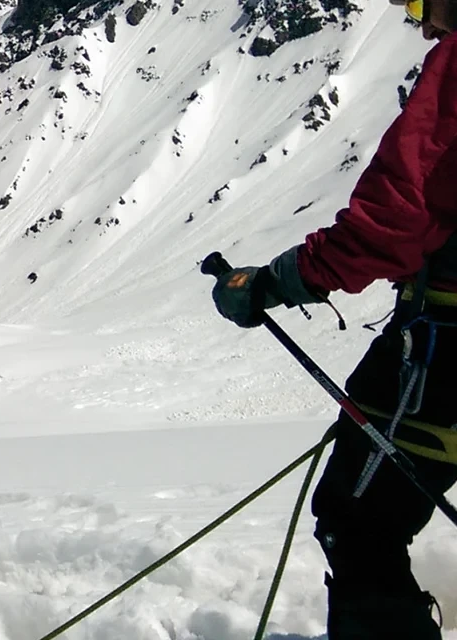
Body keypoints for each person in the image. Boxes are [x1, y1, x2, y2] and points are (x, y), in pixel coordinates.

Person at [211, 4, 453, 637]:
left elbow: (396, 217)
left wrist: (274, 283)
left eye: (426, 3)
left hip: (445, 358)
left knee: (357, 517)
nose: (423, 25)